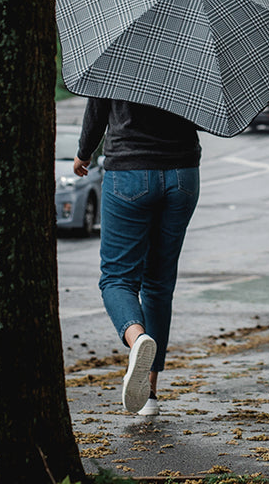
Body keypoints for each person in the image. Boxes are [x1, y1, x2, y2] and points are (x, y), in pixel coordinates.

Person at [74, 97, 201, 416]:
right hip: (183, 174)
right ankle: (150, 396)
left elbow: (97, 110)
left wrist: (84, 152)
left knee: (117, 279)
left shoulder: (120, 50)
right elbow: (203, 115)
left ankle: (137, 338)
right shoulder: (190, 54)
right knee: (159, 284)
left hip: (130, 171)